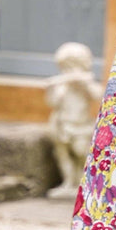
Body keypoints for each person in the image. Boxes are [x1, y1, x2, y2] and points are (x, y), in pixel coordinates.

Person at [46, 41, 102, 198]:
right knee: (62, 154)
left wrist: (86, 85)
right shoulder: (62, 86)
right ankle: (68, 182)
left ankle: (82, 182)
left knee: (81, 152)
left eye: (75, 67)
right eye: (67, 68)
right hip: (62, 124)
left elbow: (97, 95)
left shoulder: (85, 85)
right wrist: (60, 89)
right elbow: (53, 102)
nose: (71, 72)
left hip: (81, 125)